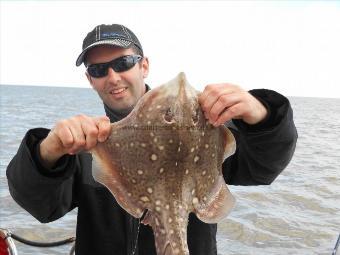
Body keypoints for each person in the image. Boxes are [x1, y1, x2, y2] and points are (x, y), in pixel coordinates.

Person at [6, 24, 298, 255]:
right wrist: (49, 150)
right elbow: (41, 206)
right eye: (98, 69)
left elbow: (263, 166)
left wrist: (261, 113)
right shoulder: (89, 145)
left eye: (123, 63)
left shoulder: (209, 132)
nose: (113, 76)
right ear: (90, 79)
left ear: (143, 65)